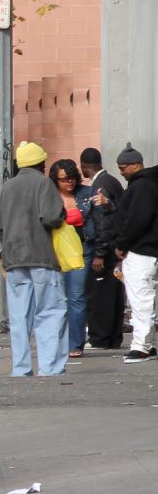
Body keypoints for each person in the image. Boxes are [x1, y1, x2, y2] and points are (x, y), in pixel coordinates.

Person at [0, 142, 69, 377]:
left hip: (14, 259)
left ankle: (21, 369)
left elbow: (0, 227)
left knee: (19, 318)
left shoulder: (8, 187)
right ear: (40, 163)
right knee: (50, 312)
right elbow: (50, 218)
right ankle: (50, 369)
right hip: (42, 257)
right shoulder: (43, 183)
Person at [112, 145, 158, 363]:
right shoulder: (150, 184)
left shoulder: (141, 186)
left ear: (136, 165)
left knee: (141, 301)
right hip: (150, 251)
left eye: (123, 167)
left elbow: (136, 220)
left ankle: (141, 347)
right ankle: (149, 344)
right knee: (149, 301)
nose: (121, 172)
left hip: (139, 251)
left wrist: (121, 244)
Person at [80, 146, 126, 350]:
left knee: (99, 296)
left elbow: (102, 222)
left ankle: (100, 338)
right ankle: (113, 338)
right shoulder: (112, 181)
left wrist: (99, 254)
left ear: (84, 167)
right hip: (115, 249)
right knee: (114, 295)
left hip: (104, 251)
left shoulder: (99, 186)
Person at [49, 159, 94, 362]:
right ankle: (56, 341)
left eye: (72, 178)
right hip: (56, 252)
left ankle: (75, 343)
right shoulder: (48, 195)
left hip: (81, 251)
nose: (69, 182)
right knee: (58, 299)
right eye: (64, 179)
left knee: (76, 297)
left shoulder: (87, 193)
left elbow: (98, 221)